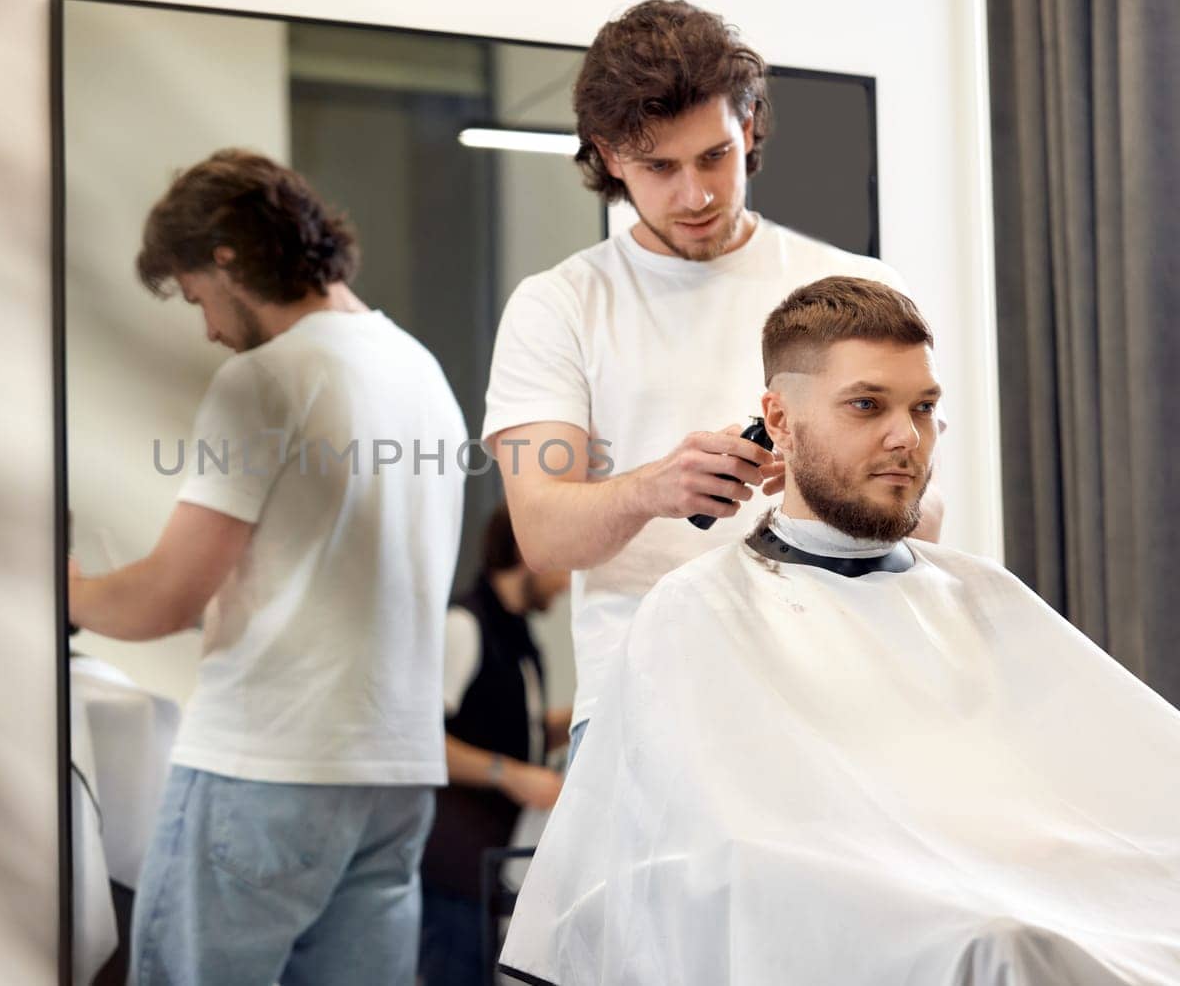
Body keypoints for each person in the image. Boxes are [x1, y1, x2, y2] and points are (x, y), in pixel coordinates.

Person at [498, 277, 1180, 985]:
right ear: (779, 422)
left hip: (1011, 886)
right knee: (1000, 943)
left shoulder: (975, 593)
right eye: (866, 405)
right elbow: (725, 859)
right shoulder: (699, 610)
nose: (906, 438)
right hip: (901, 920)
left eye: (923, 408)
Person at [482, 0, 942, 760]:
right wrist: (655, 488)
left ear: (751, 126)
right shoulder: (559, 306)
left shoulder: (855, 284)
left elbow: (922, 520)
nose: (694, 195)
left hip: (840, 685)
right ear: (610, 154)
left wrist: (832, 472)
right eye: (659, 167)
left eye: (714, 157)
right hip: (649, 698)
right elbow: (542, 534)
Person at [68, 149, 468, 986]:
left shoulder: (266, 379)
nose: (209, 328)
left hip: (269, 767)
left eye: (196, 299)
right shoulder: (420, 370)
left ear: (224, 257)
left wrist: (58, 590)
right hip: (395, 775)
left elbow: (167, 597)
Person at [418, 504, 570, 984]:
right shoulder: (463, 626)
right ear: (532, 553)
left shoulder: (519, 636)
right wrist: (512, 775)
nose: (567, 584)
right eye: (563, 565)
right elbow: (421, 737)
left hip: (490, 868)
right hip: (450, 867)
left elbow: (512, 727)